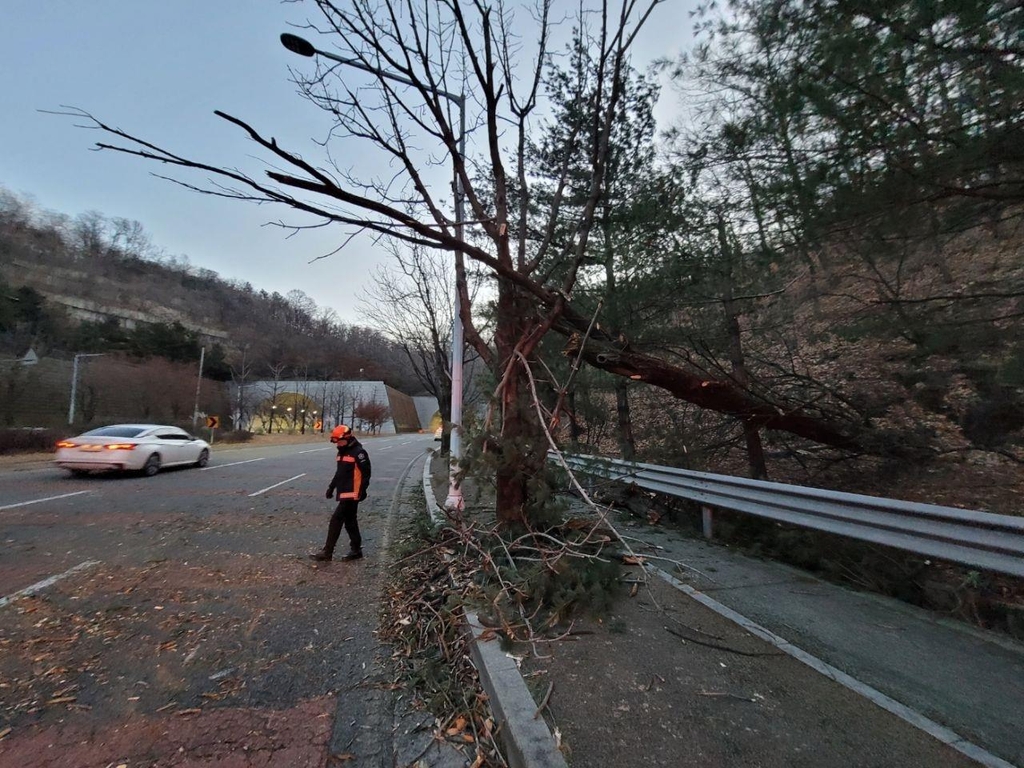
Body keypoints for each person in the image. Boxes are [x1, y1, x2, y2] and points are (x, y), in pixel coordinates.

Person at [310, 424, 371, 562]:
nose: (338, 444)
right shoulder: (342, 452)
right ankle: (356, 550)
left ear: (348, 438)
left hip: (352, 493)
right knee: (350, 522)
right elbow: (339, 473)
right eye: (336, 441)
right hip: (344, 492)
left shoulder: (359, 452)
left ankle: (328, 552)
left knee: (336, 520)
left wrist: (362, 491)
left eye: (339, 441)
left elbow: (366, 474)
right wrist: (331, 487)